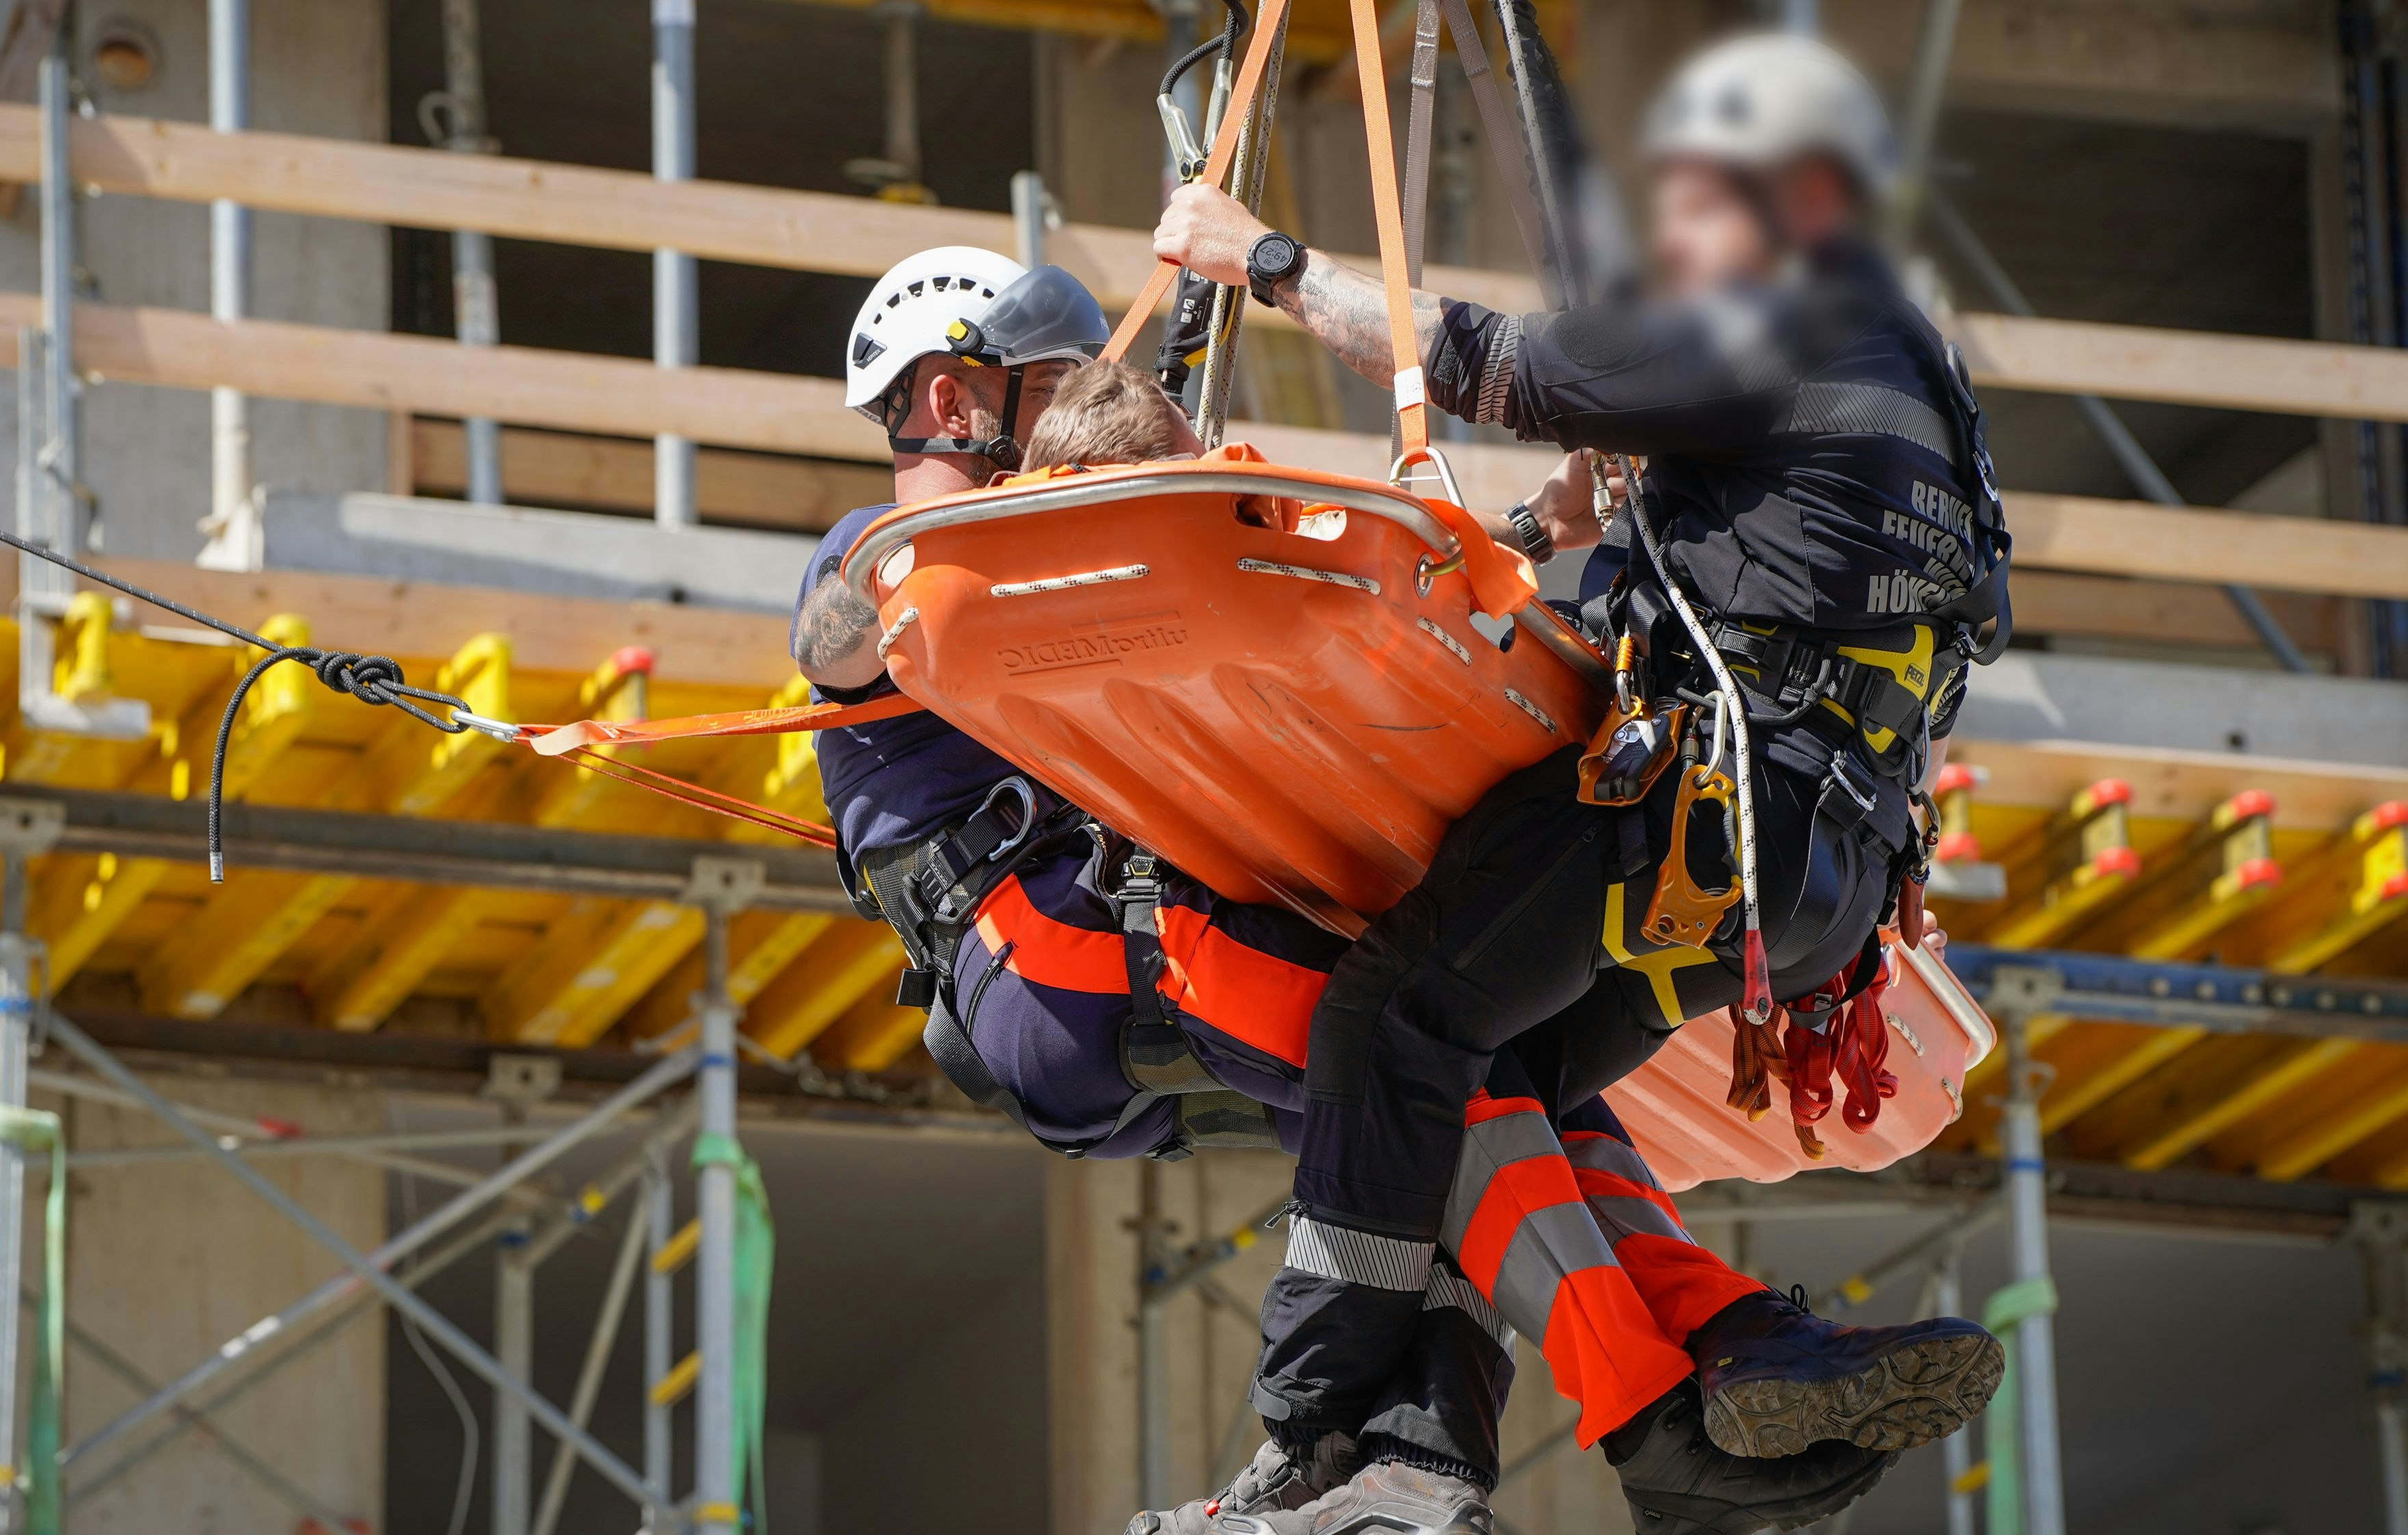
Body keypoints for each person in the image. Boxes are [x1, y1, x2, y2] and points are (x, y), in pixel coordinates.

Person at [802, 292, 1908, 1533]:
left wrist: (1524, 533)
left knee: (1493, 1062)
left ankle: (1705, 1343)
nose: (1086, 396)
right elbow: (846, 630)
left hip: (1133, 942)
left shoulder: (1049, 567)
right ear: (954, 399)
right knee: (1423, 1049)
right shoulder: (885, 553)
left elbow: (1305, 608)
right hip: (1057, 963)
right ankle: (1646, 1420)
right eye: (1064, 380)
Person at [1144, 31, 2012, 1534]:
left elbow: (1504, 366)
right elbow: (1781, 536)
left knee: (1392, 1018)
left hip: (1700, 816)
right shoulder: (1915, 370)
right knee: (1501, 1088)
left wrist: (1264, 260)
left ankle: (1307, 1436)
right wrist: (1595, 510)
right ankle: (1714, 1388)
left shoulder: (1775, 316)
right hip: (1821, 877)